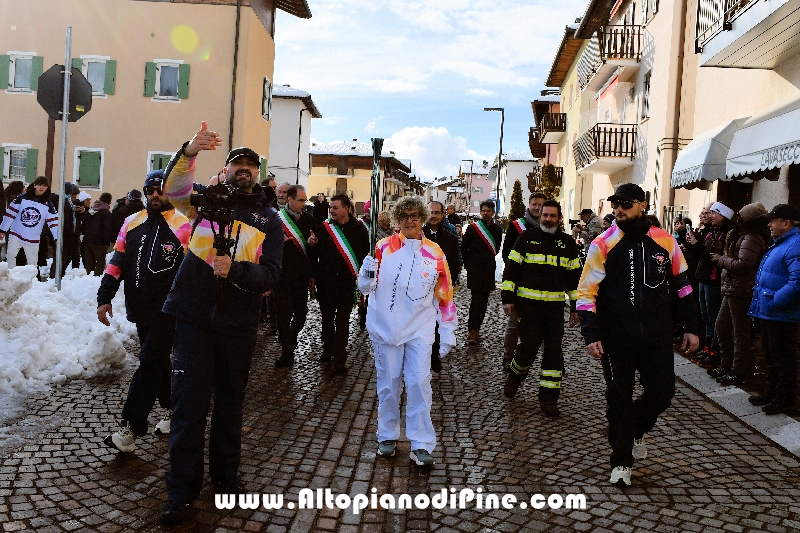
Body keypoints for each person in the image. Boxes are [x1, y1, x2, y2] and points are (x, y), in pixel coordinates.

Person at [158, 122, 284, 526]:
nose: (243, 168)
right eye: (236, 163)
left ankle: (226, 482)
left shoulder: (270, 221)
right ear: (226, 170)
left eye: (250, 164)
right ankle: (181, 491)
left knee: (230, 407)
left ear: (258, 173)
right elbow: (173, 188)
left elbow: (271, 275)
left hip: (237, 326)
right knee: (188, 409)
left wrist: (236, 273)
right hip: (194, 319)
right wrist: (190, 151)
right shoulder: (203, 203)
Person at [577, 183, 699, 486]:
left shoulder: (666, 241)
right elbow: (585, 293)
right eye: (615, 202)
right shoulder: (602, 243)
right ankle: (621, 461)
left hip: (657, 335)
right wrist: (591, 332)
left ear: (642, 205)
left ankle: (632, 431)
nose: (619, 208)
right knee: (619, 395)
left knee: (663, 393)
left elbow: (683, 286)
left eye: (626, 203)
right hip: (616, 335)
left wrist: (694, 326)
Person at [358, 196, 457, 466]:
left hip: (419, 328)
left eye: (415, 216)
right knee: (388, 384)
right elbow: (366, 290)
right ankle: (387, 435)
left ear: (422, 218)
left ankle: (421, 443)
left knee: (418, 383)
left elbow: (445, 295)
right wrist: (365, 274)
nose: (410, 220)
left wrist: (447, 331)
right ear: (397, 220)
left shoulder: (435, 253)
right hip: (385, 327)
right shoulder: (382, 248)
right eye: (405, 216)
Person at [99, 170, 191, 452]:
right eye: (150, 190)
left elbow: (194, 271)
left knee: (150, 361)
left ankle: (131, 426)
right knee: (158, 362)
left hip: (169, 310)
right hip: (139, 309)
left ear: (170, 193)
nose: (154, 195)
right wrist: (104, 297)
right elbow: (116, 263)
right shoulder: (131, 222)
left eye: (160, 190)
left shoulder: (183, 225)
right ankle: (173, 408)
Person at [501, 200, 581, 416]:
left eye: (552, 216)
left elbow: (574, 279)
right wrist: (508, 298)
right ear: (540, 216)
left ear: (559, 218)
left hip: (554, 309)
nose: (547, 219)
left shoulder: (567, 243)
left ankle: (549, 399)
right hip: (528, 307)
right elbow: (511, 270)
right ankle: (514, 378)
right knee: (528, 347)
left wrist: (575, 307)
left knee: (554, 353)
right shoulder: (526, 238)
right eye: (544, 215)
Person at [708, 203, 769, 386]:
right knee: (722, 326)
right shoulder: (744, 236)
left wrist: (722, 260)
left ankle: (738, 370)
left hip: (741, 289)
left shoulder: (751, 238)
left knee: (740, 331)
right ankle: (726, 365)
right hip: (733, 288)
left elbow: (743, 264)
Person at [747, 204, 800, 414]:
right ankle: (772, 391)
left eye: (773, 220)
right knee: (770, 353)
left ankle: (785, 398)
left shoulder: (794, 244)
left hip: (781, 313)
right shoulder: (782, 243)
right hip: (770, 311)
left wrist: (775, 301)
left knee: (783, 357)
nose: (769, 224)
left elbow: (797, 282)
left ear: (786, 223)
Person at [313, 194, 369, 374]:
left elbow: (363, 255)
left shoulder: (360, 229)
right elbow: (314, 255)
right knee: (327, 320)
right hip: (326, 283)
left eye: (335, 207)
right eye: (331, 207)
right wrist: (311, 245)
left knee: (342, 321)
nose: (332, 211)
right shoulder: (323, 228)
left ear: (347, 209)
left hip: (346, 283)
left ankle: (339, 358)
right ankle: (328, 349)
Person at [274, 184, 319, 367]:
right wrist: (279, 242)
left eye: (305, 200)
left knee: (301, 314)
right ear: (290, 200)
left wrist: (312, 244)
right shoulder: (276, 220)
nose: (304, 204)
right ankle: (287, 351)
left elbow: (314, 251)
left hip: (301, 276)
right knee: (283, 315)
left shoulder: (309, 220)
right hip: (281, 275)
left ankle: (290, 339)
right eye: (301, 200)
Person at [686, 201, 734, 368]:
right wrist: (692, 244)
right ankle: (706, 349)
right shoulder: (710, 232)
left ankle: (714, 352)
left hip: (713, 279)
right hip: (703, 277)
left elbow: (709, 256)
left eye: (714, 213)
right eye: (709, 212)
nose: (710, 216)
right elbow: (702, 255)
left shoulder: (725, 234)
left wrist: (695, 244)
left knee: (713, 318)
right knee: (706, 317)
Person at [500, 192, 545, 370]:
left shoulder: (550, 226)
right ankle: (508, 358)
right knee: (514, 326)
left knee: (541, 328)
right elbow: (506, 256)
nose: (536, 207)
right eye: (534, 204)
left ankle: (543, 360)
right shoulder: (517, 226)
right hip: (519, 286)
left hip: (542, 288)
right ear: (529, 204)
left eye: (540, 204)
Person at [423, 201, 461, 373]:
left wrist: (449, 284)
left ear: (443, 215)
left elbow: (454, 264)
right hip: (420, 287)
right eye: (431, 212)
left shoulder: (451, 239)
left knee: (437, 323)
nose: (434, 216)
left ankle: (434, 355)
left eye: (437, 213)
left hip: (440, 288)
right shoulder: (417, 236)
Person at [461, 200, 502, 344]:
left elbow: (495, 249)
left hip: (488, 270)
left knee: (484, 302)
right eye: (483, 211)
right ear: (480, 212)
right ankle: (471, 330)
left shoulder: (497, 230)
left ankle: (477, 329)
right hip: (475, 270)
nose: (485, 213)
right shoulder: (473, 228)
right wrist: (468, 265)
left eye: (488, 211)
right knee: (476, 301)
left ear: (492, 212)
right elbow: (464, 247)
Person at [0, 177, 58, 269]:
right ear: (34, 185)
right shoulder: (21, 198)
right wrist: (2, 230)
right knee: (10, 257)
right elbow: (10, 214)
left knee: (32, 264)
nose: (41, 187)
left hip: (33, 239)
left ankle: (32, 282)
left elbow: (54, 223)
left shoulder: (48, 205)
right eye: (39, 185)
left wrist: (57, 237)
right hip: (16, 234)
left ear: (47, 188)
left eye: (44, 185)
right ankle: (10, 280)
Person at [82, 192, 114, 276]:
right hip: (100, 242)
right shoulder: (106, 213)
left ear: (99, 199)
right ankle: (96, 279)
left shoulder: (91, 211)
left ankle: (89, 278)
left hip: (87, 241)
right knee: (100, 262)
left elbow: (84, 225)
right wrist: (107, 243)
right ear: (109, 202)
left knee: (89, 262)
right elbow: (107, 229)